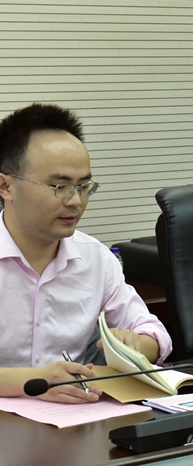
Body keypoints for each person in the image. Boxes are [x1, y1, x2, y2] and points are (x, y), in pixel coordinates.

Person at [0, 103, 172, 403]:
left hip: (73, 417)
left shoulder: (94, 258)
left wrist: (135, 344)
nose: (75, 201)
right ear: (5, 186)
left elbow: (155, 334)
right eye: (59, 186)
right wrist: (35, 381)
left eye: (83, 187)